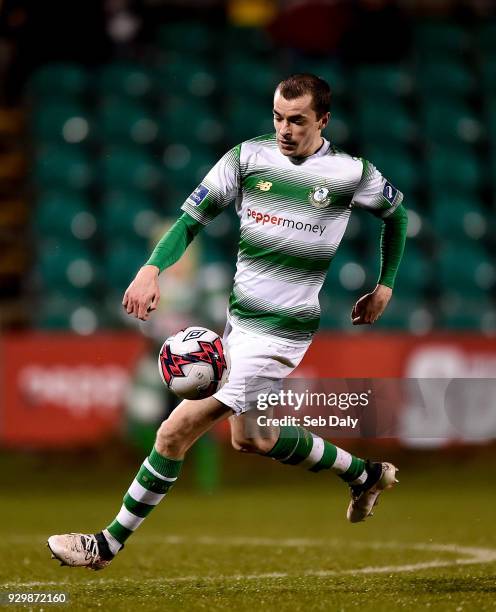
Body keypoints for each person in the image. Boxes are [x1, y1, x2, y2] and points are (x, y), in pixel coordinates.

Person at [48, 73, 407, 570]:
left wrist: (385, 284)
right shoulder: (246, 159)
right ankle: (363, 474)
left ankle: (104, 545)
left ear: (323, 120)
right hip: (239, 323)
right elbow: (190, 220)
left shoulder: (351, 173)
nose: (285, 128)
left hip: (283, 330)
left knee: (173, 432)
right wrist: (152, 268)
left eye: (298, 120)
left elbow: (397, 216)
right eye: (278, 117)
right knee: (252, 438)